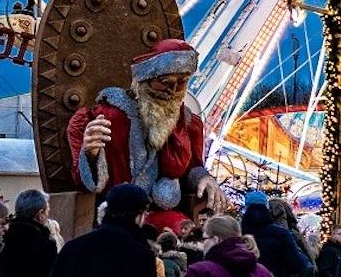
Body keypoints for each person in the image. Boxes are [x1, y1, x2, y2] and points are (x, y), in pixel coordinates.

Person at [66, 38, 225, 233]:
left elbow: (191, 166)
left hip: (163, 214)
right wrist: (90, 154)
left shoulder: (186, 122)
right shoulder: (108, 117)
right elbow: (88, 182)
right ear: (145, 79)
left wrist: (203, 177)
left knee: (183, 232)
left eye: (182, 83)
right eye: (166, 83)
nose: (173, 91)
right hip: (117, 217)